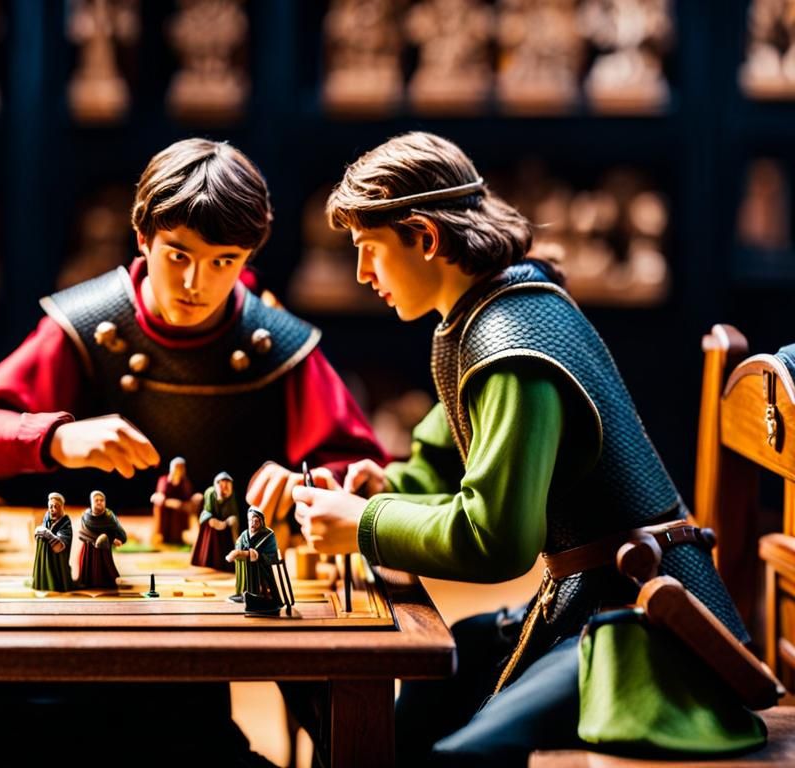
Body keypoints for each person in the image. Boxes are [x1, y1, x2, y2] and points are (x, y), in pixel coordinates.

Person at [291, 131, 746, 766]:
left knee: (467, 753)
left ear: (425, 237)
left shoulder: (508, 344)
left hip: (651, 628)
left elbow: (497, 539)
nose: (362, 273)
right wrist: (383, 492)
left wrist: (363, 526)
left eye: (369, 249)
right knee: (430, 692)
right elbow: (438, 463)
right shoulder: (476, 317)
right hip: (588, 603)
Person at [0, 137, 384, 530]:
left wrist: (305, 485)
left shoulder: (276, 342)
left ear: (249, 257)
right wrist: (54, 439)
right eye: (178, 256)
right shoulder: (87, 324)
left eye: (223, 262)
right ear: (143, 236)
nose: (195, 284)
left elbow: (361, 472)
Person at [226, 507, 280, 607]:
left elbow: (269, 553)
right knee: (242, 568)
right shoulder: (245, 534)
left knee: (261, 580)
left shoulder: (268, 535)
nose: (252, 523)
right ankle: (243, 592)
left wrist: (242, 553)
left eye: (256, 521)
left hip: (262, 567)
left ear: (261, 522)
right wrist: (238, 551)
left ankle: (260, 595)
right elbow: (238, 543)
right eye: (250, 520)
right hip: (245, 565)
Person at [76, 490, 127, 589]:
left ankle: (106, 581)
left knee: (105, 567)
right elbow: (82, 532)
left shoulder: (109, 516)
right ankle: (86, 581)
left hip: (104, 549)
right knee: (88, 565)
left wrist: (116, 539)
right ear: (91, 502)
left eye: (101, 500)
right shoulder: (86, 516)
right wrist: (96, 539)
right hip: (89, 547)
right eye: (96, 500)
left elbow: (119, 531)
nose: (99, 502)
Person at [191, 471, 241, 570]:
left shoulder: (232, 495)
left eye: (227, 484)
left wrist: (226, 522)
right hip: (211, 520)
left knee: (233, 523)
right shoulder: (210, 493)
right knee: (208, 525)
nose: (225, 488)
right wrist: (212, 520)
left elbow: (233, 513)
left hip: (225, 523)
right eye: (222, 484)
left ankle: (235, 554)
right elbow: (208, 510)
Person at [150, 456, 200, 544]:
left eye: (182, 467)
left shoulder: (185, 482)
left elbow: (188, 496)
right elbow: (160, 495)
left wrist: (193, 499)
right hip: (166, 507)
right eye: (178, 467)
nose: (180, 469)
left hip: (181, 507)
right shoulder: (164, 480)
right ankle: (162, 536)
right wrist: (173, 503)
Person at [31, 492, 73, 592]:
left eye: (55, 506)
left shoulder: (65, 522)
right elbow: (42, 532)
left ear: (61, 507)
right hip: (44, 559)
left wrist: (48, 535)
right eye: (50, 506)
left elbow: (62, 545)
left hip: (57, 562)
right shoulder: (47, 517)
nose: (52, 509)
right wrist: (38, 533)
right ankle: (41, 580)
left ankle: (54, 584)